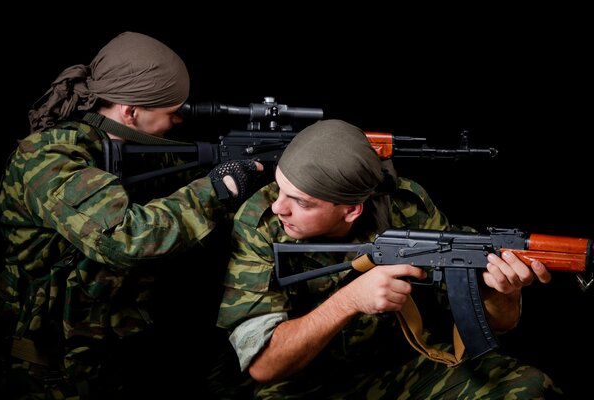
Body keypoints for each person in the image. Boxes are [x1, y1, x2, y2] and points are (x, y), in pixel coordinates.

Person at [0, 31, 260, 399]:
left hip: (118, 357)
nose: (179, 120)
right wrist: (217, 188)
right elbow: (126, 237)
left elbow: (183, 194)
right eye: (171, 112)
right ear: (130, 112)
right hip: (54, 369)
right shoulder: (48, 159)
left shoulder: (142, 151)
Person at [216, 119, 565, 399]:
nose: (279, 207)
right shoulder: (260, 222)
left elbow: (499, 322)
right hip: (302, 383)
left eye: (301, 202)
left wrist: (501, 291)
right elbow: (264, 366)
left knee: (528, 386)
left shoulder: (405, 206)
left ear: (351, 210)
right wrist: (350, 300)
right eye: (280, 189)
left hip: (398, 365)